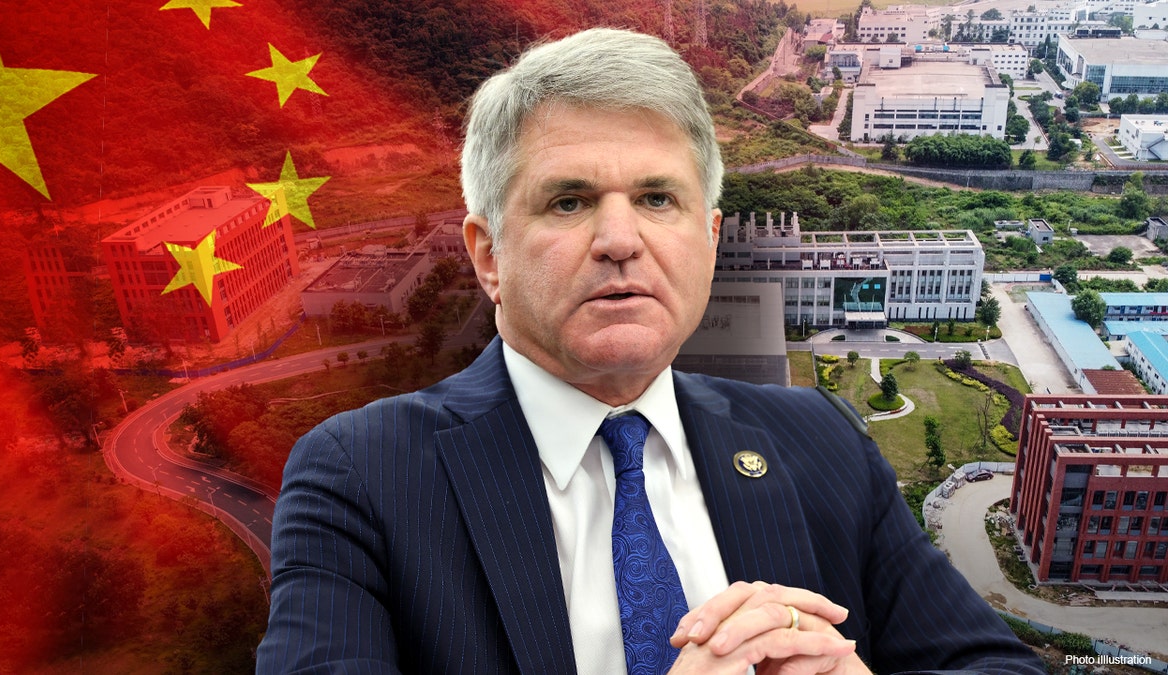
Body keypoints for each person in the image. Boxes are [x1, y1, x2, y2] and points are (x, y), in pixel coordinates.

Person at [256, 28, 1044, 674]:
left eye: (657, 198)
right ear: (488, 253)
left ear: (707, 240)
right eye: (569, 201)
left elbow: (994, 665)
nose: (621, 240)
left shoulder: (819, 441)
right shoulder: (362, 477)